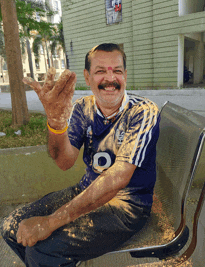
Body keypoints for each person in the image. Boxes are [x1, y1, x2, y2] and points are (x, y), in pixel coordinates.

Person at [1, 43, 160, 267]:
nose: (110, 78)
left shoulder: (143, 111)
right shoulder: (82, 108)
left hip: (127, 207)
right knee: (11, 227)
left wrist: (51, 222)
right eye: (100, 71)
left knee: (43, 252)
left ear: (125, 75)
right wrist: (56, 124)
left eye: (117, 70)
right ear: (87, 77)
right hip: (86, 190)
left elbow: (118, 178)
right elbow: (64, 162)